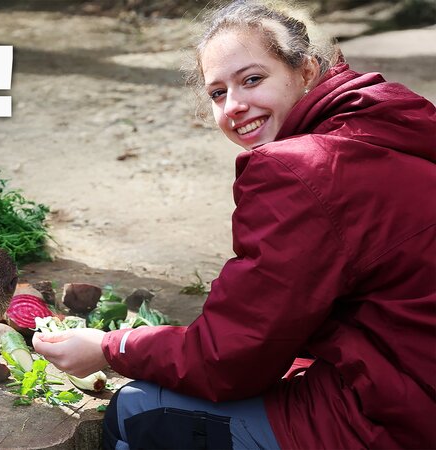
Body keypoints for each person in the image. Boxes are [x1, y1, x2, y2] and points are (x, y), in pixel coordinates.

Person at [33, 0, 436, 448]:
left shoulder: (297, 170)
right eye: (218, 93)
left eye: (252, 80)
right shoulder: (388, 116)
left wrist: (112, 347)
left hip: (397, 415)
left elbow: (229, 359)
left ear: (305, 71)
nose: (235, 106)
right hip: (415, 373)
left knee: (139, 410)